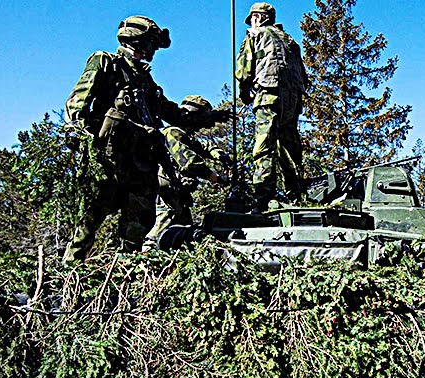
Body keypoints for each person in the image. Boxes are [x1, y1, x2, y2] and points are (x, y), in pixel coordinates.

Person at [64, 16, 228, 260]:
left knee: (138, 224)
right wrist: (83, 135)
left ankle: (124, 270)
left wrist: (211, 117)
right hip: (110, 160)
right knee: (91, 218)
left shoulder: (145, 81)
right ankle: (71, 267)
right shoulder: (106, 63)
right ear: (139, 40)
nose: (154, 50)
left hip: (141, 164)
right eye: (152, 43)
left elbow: (173, 114)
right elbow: (77, 104)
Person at [235, 2, 306, 211]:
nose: (252, 22)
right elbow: (303, 75)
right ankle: (297, 193)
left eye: (253, 18)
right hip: (293, 99)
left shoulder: (255, 35)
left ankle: (263, 197)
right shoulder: (290, 41)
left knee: (264, 145)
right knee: (289, 147)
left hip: (269, 94)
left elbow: (244, 70)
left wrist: (244, 93)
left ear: (258, 17)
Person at [144, 95, 229, 249]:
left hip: (180, 195)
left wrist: (220, 155)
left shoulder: (184, 135)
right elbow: (190, 162)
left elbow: (203, 147)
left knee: (183, 237)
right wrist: (214, 177)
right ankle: (144, 259)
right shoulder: (172, 132)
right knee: (159, 234)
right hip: (169, 193)